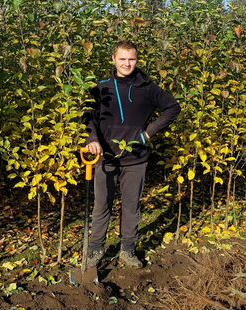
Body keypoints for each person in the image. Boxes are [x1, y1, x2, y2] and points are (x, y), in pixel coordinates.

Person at [84, 40, 181, 268]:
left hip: (136, 158)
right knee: (101, 206)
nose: (127, 64)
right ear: (113, 60)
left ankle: (127, 250)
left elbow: (173, 108)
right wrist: (92, 139)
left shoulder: (148, 89)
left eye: (132, 59)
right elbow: (88, 115)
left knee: (131, 206)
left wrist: (148, 133)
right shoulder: (100, 87)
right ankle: (95, 250)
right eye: (122, 59)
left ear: (137, 60)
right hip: (105, 158)